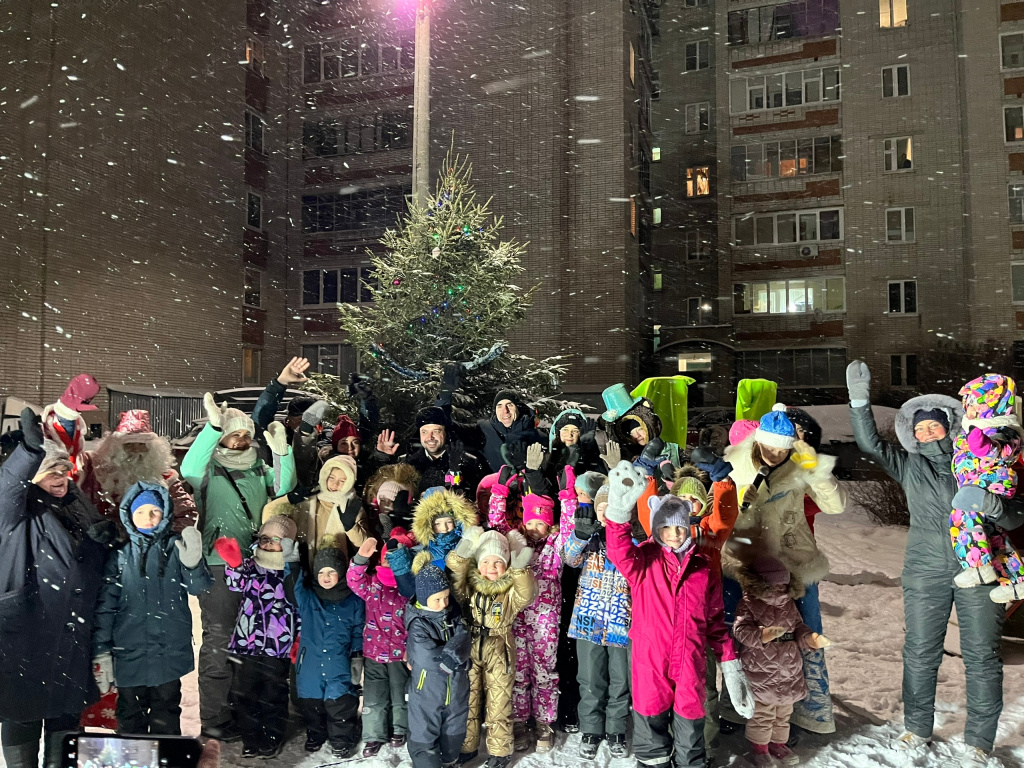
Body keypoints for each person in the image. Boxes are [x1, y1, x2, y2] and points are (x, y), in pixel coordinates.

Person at [847, 360, 1024, 767]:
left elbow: (1017, 516)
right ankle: (916, 728)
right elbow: (870, 445)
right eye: (920, 428)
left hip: (981, 570)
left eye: (934, 426)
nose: (926, 432)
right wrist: (859, 402)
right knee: (920, 652)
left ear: (950, 426)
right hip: (924, 570)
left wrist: (992, 504)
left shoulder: (981, 460)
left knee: (982, 656)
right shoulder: (910, 465)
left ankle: (979, 742)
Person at [603, 461, 754, 768]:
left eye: (679, 527)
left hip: (689, 662)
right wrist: (617, 514)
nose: (673, 534)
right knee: (651, 727)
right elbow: (618, 551)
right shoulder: (643, 561)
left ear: (688, 526)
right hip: (650, 661)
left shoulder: (702, 568)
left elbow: (715, 622)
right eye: (666, 528)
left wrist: (730, 664)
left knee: (690, 725)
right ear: (656, 528)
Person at [0, 411, 118, 768]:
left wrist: (104, 539)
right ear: (33, 476)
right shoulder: (15, 509)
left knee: (65, 719)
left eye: (64, 470)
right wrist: (28, 452)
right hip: (27, 631)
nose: (60, 479)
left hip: (70, 633)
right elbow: (6, 487)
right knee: (22, 715)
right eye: (51, 471)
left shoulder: (74, 502)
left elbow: (86, 560)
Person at [723, 404, 845, 736]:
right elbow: (716, 507)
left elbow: (835, 505)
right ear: (758, 440)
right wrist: (738, 500)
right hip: (745, 563)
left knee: (805, 629)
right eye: (770, 447)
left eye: (783, 449)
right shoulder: (737, 464)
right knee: (742, 631)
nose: (776, 455)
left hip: (792, 564)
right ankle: (740, 707)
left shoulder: (798, 466)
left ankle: (807, 709)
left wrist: (817, 471)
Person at [180, 394, 296, 741]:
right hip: (219, 565)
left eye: (246, 435)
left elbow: (284, 486)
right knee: (219, 637)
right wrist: (214, 427)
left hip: (256, 565)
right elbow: (188, 469)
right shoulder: (209, 469)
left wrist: (282, 453)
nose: (241, 440)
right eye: (234, 435)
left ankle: (241, 706)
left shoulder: (259, 468)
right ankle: (214, 716)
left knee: (250, 640)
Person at [91, 482, 212, 734]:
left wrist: (193, 564)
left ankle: (166, 754)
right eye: (140, 512)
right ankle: (133, 755)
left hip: (168, 652)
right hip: (129, 652)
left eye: (154, 511)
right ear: (129, 516)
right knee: (129, 715)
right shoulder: (120, 556)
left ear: (165, 513)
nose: (148, 517)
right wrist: (101, 649)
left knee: (166, 713)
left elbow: (198, 587)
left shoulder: (175, 547)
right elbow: (106, 607)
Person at [446, 526, 537, 768]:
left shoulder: (510, 592)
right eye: (486, 561)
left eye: (498, 562)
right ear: (478, 564)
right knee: (469, 699)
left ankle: (500, 751)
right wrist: (461, 555)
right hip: (471, 645)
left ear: (506, 565)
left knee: (499, 702)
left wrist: (520, 571)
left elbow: (526, 593)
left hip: (500, 648)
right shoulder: (469, 587)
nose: (492, 567)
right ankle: (467, 746)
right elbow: (454, 577)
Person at [486, 471, 562, 754]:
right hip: (516, 618)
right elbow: (496, 525)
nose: (534, 528)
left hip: (545, 621)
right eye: (529, 522)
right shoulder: (515, 541)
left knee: (544, 673)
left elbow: (568, 530)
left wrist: (567, 498)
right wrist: (499, 492)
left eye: (540, 523)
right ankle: (519, 721)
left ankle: (544, 722)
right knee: (518, 672)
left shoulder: (555, 546)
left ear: (549, 524)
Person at [559, 472, 633, 761]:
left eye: (610, 507)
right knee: (590, 679)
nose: (605, 513)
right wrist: (579, 534)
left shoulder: (629, 539)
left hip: (621, 621)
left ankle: (616, 729)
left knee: (620, 680)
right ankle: (591, 729)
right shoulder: (589, 537)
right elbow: (569, 558)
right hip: (588, 620)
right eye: (601, 507)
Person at [214, 516, 301, 759]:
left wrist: (298, 638)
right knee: (244, 692)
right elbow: (235, 584)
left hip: (278, 644)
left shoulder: (292, 571)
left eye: (277, 539)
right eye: (265, 539)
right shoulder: (251, 566)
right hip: (247, 642)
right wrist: (234, 563)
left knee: (273, 692)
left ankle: (272, 736)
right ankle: (250, 737)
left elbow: (300, 605)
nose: (270, 544)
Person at [731, 555, 830, 767]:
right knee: (763, 713)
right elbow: (740, 630)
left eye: (783, 585)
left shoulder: (789, 604)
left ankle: (778, 744)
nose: (780, 589)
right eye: (774, 586)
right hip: (761, 668)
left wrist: (808, 638)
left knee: (784, 712)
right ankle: (759, 747)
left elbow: (798, 626)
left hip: (788, 667)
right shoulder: (749, 604)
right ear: (761, 584)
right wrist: (761, 635)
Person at [948, 373, 1024, 601]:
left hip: (991, 484)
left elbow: (1002, 449)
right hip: (975, 485)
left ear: (994, 404)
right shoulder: (970, 429)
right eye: (968, 404)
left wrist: (985, 446)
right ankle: (1016, 582)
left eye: (977, 404)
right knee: (991, 534)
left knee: (962, 517)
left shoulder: (1004, 429)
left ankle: (978, 566)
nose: (971, 410)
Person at [290, 546, 365, 758]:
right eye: (321, 572)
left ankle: (341, 740)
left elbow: (358, 629)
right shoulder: (308, 598)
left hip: (339, 661)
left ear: (341, 573)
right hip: (310, 662)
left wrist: (357, 656)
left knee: (340, 701)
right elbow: (293, 587)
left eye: (332, 571)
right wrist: (291, 560)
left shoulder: (353, 600)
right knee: (311, 701)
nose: (326, 577)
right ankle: (316, 733)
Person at [347, 536, 414, 757]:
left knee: (400, 695)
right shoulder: (373, 584)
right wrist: (360, 558)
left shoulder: (409, 589)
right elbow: (354, 580)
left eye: (396, 559)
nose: (390, 563)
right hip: (374, 653)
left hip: (400, 654)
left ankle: (400, 729)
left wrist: (411, 648)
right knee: (374, 697)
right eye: (387, 558)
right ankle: (374, 735)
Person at [79, 409, 197, 533]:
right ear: (115, 449)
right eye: (129, 444)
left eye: (142, 444)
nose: (135, 450)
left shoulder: (166, 478)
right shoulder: (97, 474)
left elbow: (188, 515)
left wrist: (160, 535)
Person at [405, 564, 472, 768]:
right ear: (424, 598)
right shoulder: (418, 623)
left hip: (457, 690)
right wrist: (457, 659)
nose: (443, 604)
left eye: (446, 597)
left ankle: (449, 761)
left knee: (454, 730)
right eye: (437, 599)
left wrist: (454, 656)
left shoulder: (453, 615)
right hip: (427, 691)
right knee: (424, 733)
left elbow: (464, 637)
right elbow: (428, 657)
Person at [261, 454, 370, 570]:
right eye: (331, 478)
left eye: (342, 480)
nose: (335, 484)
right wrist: (289, 499)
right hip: (302, 567)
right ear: (324, 476)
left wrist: (351, 527)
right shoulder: (307, 500)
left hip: (332, 571)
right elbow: (268, 519)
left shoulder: (353, 507)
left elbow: (364, 546)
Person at [40, 373, 101, 480]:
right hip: (55, 482)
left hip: (72, 481)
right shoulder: (47, 428)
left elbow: (76, 455)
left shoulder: (76, 424)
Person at [411, 488, 479, 573]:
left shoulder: (466, 546)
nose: (444, 528)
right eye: (437, 524)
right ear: (428, 526)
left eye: (449, 522)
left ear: (457, 522)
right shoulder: (422, 555)